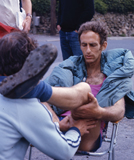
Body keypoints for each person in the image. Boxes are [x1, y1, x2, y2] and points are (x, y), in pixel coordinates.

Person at [0, 31, 97, 160]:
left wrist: (56, 126)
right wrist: (77, 129)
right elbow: (65, 150)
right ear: (31, 66)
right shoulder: (25, 104)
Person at [44, 21, 134, 152]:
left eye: (92, 45)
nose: (87, 51)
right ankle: (58, 125)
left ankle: (74, 115)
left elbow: (119, 111)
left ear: (103, 46)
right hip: (61, 124)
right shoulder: (70, 67)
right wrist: (57, 122)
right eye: (84, 45)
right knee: (35, 92)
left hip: (89, 129)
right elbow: (44, 95)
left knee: (85, 95)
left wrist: (98, 111)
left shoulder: (112, 75)